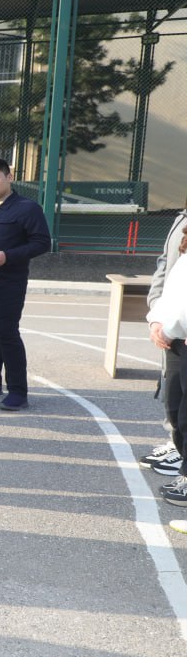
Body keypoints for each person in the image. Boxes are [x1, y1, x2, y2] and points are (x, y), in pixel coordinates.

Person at [0, 158, 51, 411]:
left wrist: (8, 256)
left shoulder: (28, 209)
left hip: (9, 284)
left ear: (9, 177)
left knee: (6, 334)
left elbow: (41, 243)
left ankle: (17, 391)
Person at [142, 203, 187, 476]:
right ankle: (177, 447)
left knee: (183, 407)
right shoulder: (181, 217)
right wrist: (156, 313)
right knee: (174, 398)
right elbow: (166, 267)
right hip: (171, 323)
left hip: (178, 326)